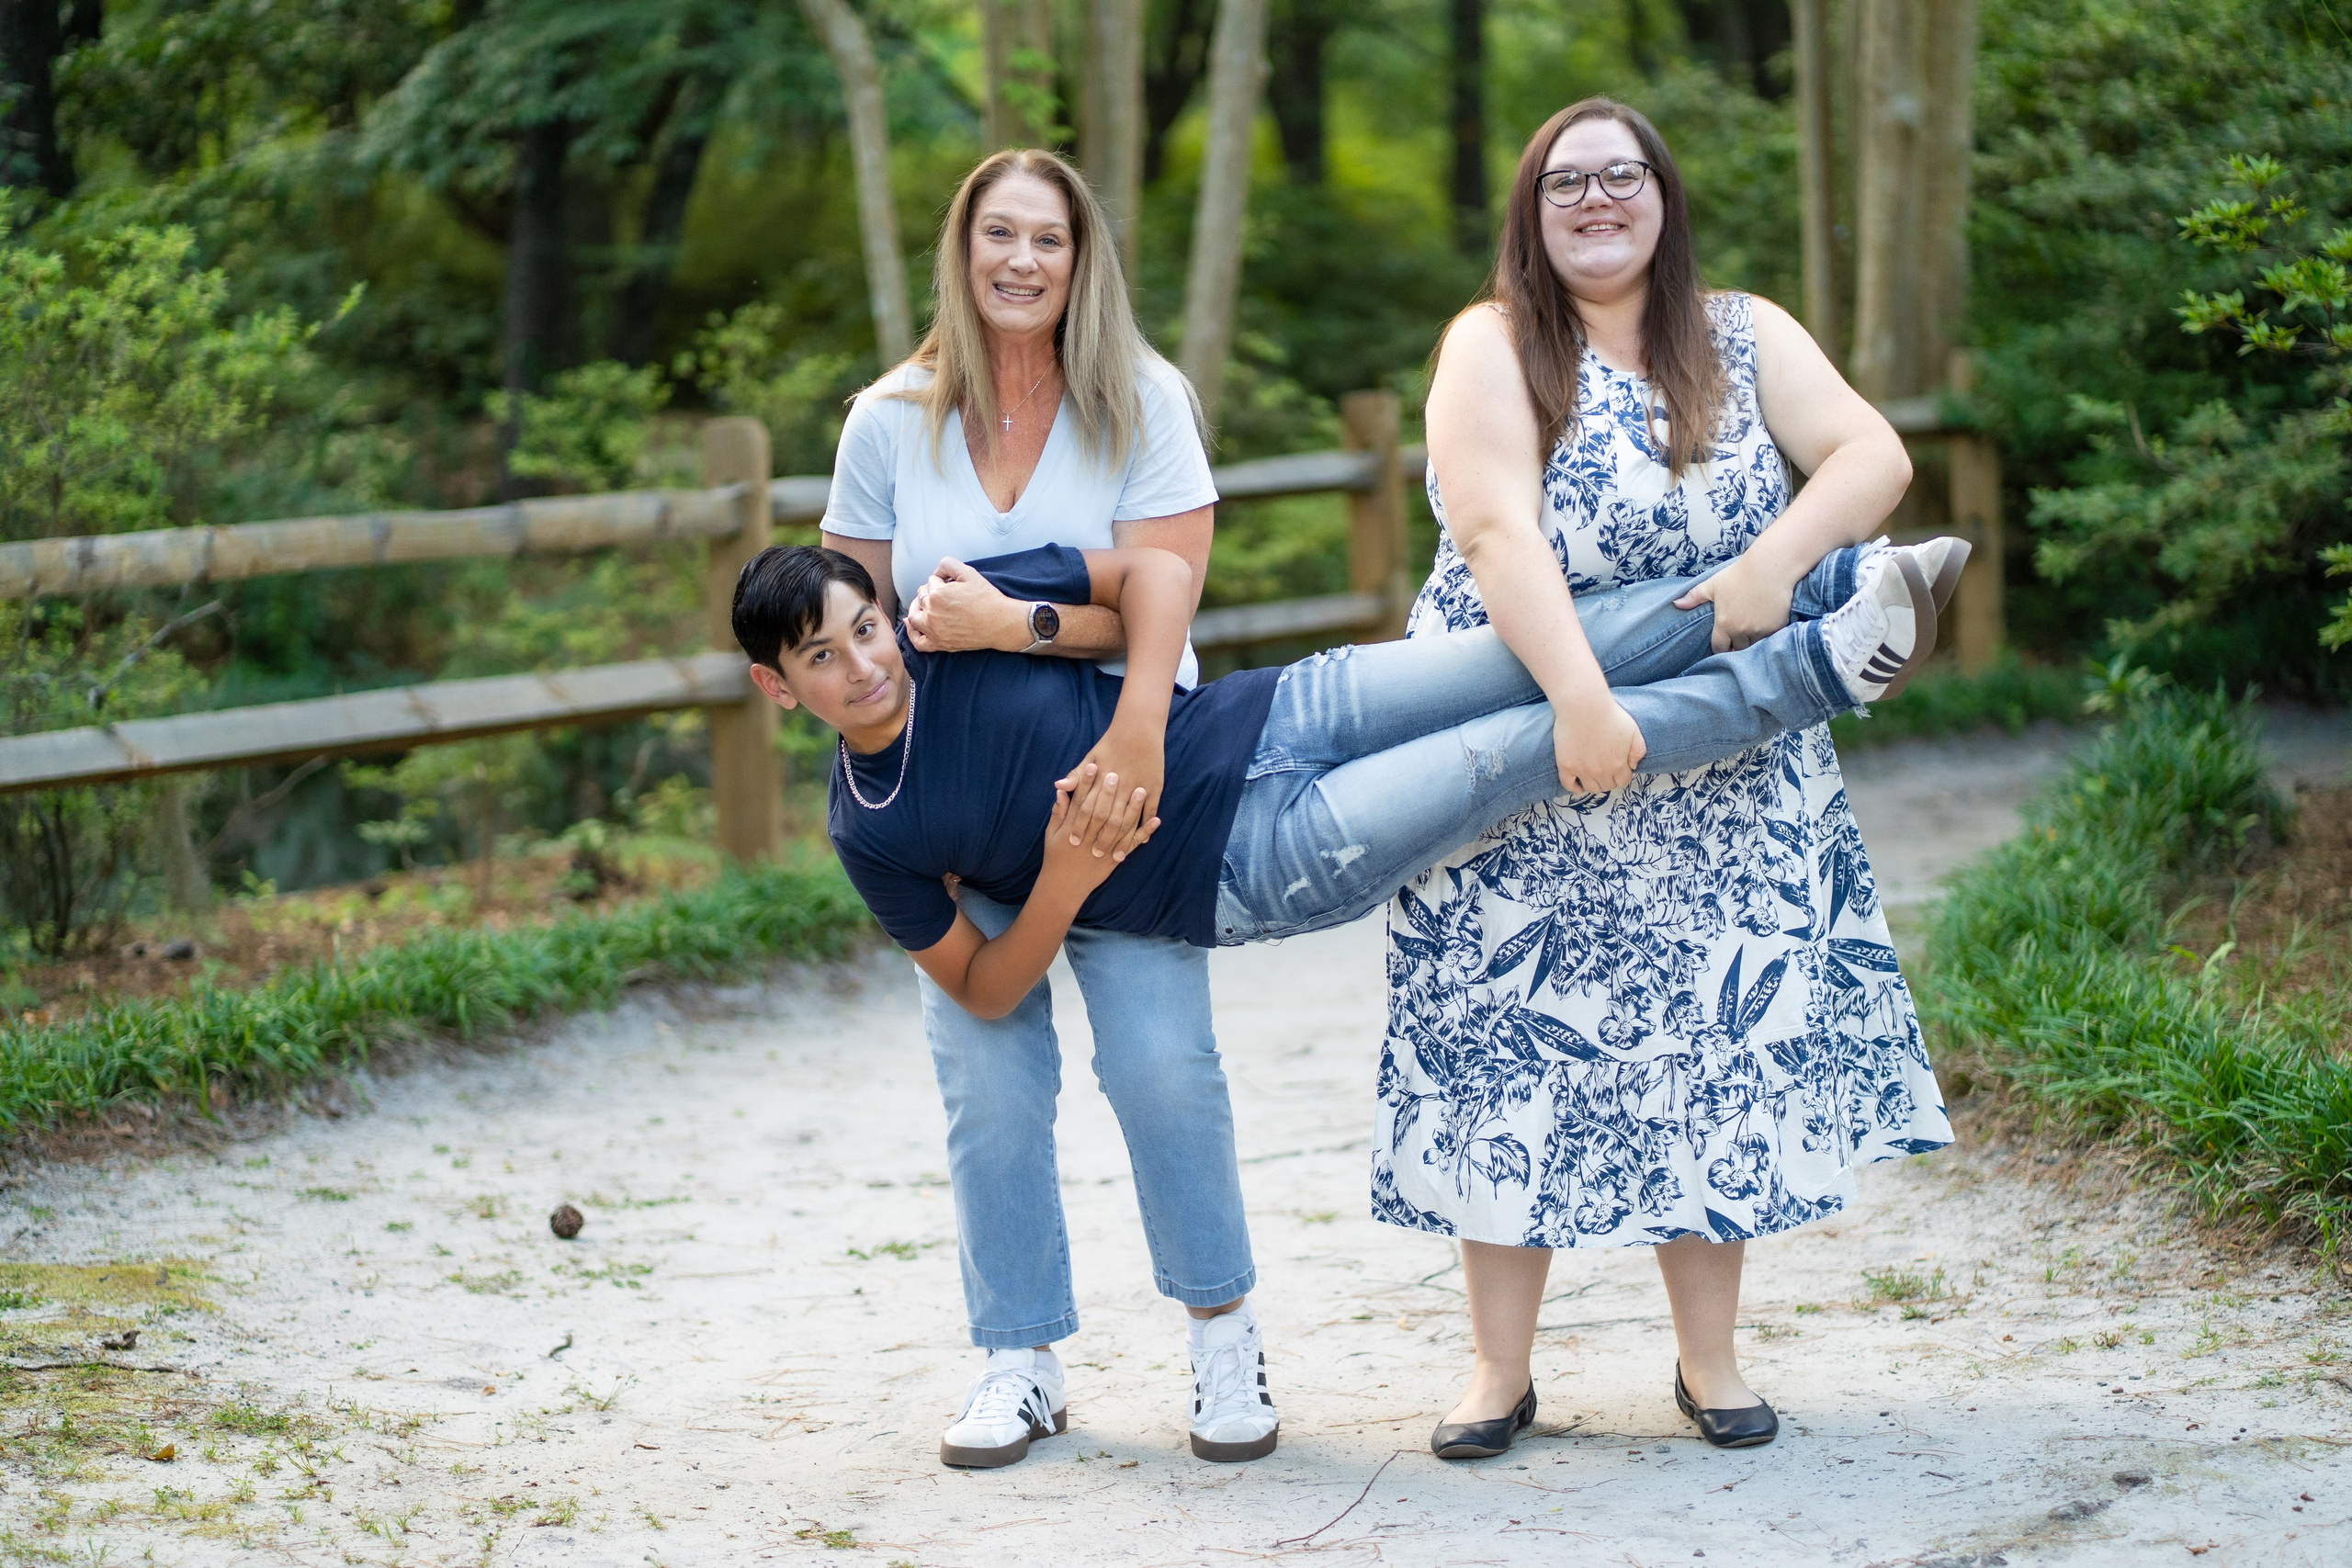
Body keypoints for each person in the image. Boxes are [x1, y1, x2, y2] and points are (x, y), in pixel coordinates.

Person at [732, 528, 1947, 1463]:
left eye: (863, 629)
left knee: (1535, 653)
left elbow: (1153, 577)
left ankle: (1844, 572)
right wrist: (1061, 880)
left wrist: (1030, 624)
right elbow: (987, 987)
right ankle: (1828, 666)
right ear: (778, 689)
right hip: (1258, 861)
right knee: (1524, 749)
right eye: (822, 659)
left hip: (1270, 712)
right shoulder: (871, 832)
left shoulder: (953, 620)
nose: (863, 665)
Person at [1386, 95, 1959, 1461]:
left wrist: (1776, 562)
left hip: (1725, 770)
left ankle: (1711, 1364)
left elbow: (1875, 454)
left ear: (1661, 195)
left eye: (1620, 175)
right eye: (1565, 182)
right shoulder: (1494, 343)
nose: (1595, 200)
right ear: (1532, 210)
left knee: (1720, 1040)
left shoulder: (1744, 333)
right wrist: (1582, 700)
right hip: (1527, 732)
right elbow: (1488, 524)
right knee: (1503, 1045)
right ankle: (1494, 1371)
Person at [808, 146, 1263, 1471]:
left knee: (1164, 1070)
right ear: (961, 251)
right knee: (989, 1090)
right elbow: (854, 642)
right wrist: (891, 811)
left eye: (1047, 241)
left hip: (1119, 799)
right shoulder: (886, 420)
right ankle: (1018, 1359)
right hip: (961, 818)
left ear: (1082, 261)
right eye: (997, 236)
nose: (1020, 262)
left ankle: (1223, 1335)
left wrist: (1019, 634)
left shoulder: (1143, 399)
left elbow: (1163, 605)